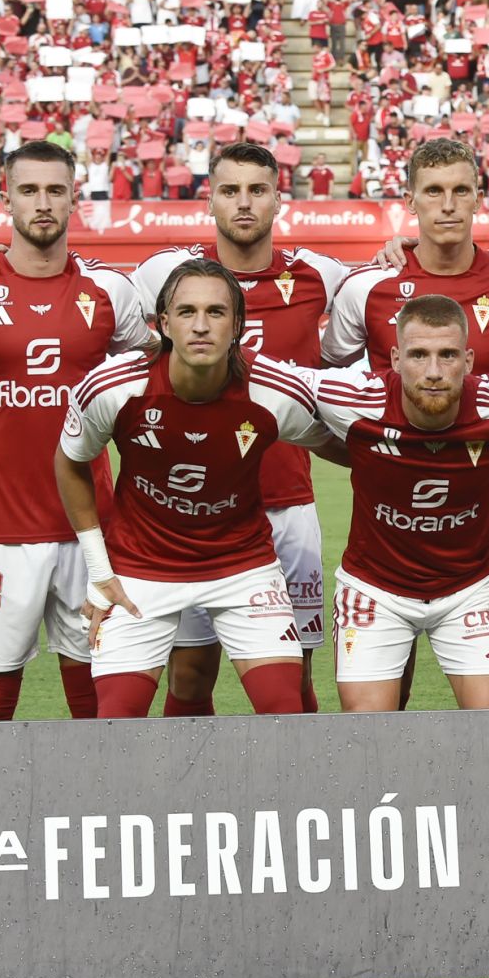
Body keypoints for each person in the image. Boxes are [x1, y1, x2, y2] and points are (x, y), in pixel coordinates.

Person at [0, 140, 151, 721]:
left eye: (54, 190)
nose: (42, 203)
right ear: (6, 199)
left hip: (92, 532)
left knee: (96, 697)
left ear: (74, 199)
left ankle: (104, 807)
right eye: (28, 190)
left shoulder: (112, 293)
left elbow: (161, 387)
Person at [327, 137, 489, 657]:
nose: (447, 204)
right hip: (387, 519)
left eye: (460, 190)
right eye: (434, 191)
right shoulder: (368, 287)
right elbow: (319, 376)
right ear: (410, 200)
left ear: (478, 197)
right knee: (384, 676)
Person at [129, 142, 353, 716]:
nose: (244, 203)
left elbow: (391, 298)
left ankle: (298, 795)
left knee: (295, 669)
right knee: (190, 671)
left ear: (280, 198)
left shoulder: (322, 276)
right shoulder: (164, 274)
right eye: (230, 191)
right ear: (210, 200)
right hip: (193, 520)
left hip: (286, 508)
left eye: (257, 190)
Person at [55, 260, 331, 718]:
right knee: (114, 723)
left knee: (286, 710)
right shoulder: (116, 388)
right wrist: (99, 568)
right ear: (163, 323)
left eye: (216, 313)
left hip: (242, 567)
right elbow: (70, 461)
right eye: (186, 312)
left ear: (238, 324)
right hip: (140, 569)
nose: (200, 326)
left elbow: (343, 448)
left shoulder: (272, 392)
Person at [315, 296, 489, 712]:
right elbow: (270, 382)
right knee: (367, 731)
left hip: (469, 589)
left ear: (469, 360)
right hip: (375, 589)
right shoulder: (353, 399)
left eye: (447, 356)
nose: (433, 372)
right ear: (394, 358)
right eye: (418, 355)